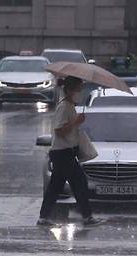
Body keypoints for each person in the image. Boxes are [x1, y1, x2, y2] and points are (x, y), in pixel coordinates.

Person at [38, 76, 102, 227]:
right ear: (71, 90)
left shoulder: (69, 106)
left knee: (58, 185)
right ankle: (87, 217)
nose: (80, 93)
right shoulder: (64, 107)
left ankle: (44, 217)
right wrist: (76, 122)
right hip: (63, 153)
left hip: (65, 152)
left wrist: (76, 123)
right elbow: (59, 131)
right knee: (78, 182)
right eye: (79, 89)